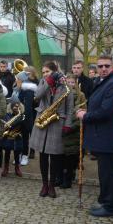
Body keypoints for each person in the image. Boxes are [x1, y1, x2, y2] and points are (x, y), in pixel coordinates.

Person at [76, 55, 113, 217]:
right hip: (101, 136)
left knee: (109, 174)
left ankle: (111, 206)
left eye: (106, 66)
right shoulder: (101, 81)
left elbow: (105, 112)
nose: (103, 69)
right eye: (100, 66)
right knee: (104, 173)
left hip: (108, 137)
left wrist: (85, 116)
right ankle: (104, 200)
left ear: (112, 67)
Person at [30, 61, 73, 199]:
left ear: (55, 71)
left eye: (47, 72)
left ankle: (52, 185)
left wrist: (68, 124)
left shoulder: (65, 85)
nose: (45, 74)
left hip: (57, 122)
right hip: (43, 120)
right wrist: (48, 81)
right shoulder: (44, 82)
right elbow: (37, 95)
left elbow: (70, 107)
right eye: (43, 72)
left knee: (54, 157)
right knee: (42, 155)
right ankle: (44, 185)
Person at [58, 73, 86, 189]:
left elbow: (82, 113)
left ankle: (68, 179)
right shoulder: (62, 94)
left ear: (76, 83)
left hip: (73, 131)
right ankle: (59, 178)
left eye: (72, 82)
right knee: (61, 157)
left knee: (70, 158)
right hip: (62, 129)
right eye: (68, 82)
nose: (70, 85)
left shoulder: (81, 96)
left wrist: (71, 126)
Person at [1, 100, 25, 178]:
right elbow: (7, 124)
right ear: (11, 107)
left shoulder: (22, 115)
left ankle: (17, 168)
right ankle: (6, 168)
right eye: (14, 106)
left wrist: (19, 119)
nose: (16, 107)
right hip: (9, 136)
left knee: (17, 153)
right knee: (7, 153)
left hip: (18, 136)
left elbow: (24, 126)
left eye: (18, 106)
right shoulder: (7, 115)